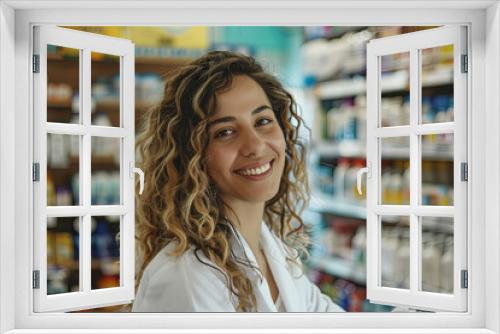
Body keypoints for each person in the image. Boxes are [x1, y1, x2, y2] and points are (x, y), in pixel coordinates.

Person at [132, 51, 344, 313]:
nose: (255, 145)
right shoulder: (187, 277)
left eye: (263, 121)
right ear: (191, 156)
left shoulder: (275, 254)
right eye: (225, 132)